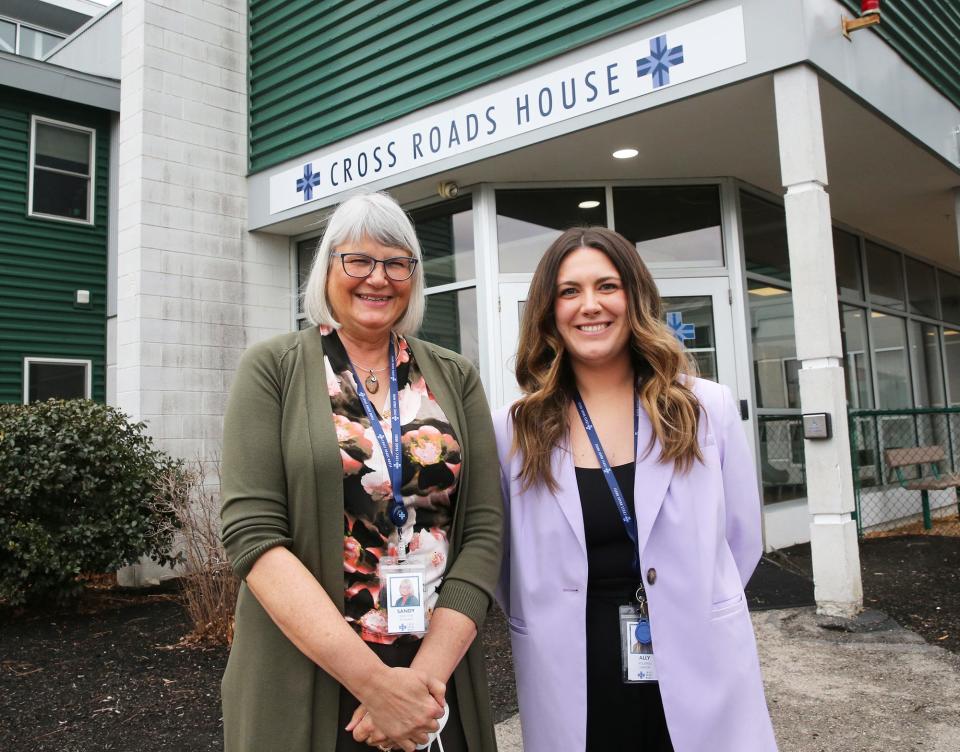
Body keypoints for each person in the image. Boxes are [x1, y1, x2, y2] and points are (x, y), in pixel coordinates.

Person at [220, 192, 502, 752]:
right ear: (328, 269)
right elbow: (252, 534)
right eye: (359, 260)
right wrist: (376, 688)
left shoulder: (455, 375)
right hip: (311, 669)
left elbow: (485, 532)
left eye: (397, 263)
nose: (379, 278)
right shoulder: (272, 370)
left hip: (433, 674)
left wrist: (421, 684)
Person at [495, 227, 777, 752]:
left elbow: (741, 538)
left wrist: (687, 598)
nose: (590, 306)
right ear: (548, 310)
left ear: (635, 297)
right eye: (569, 291)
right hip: (573, 667)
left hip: (697, 652)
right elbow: (504, 563)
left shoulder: (705, 408)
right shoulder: (514, 429)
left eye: (607, 286)